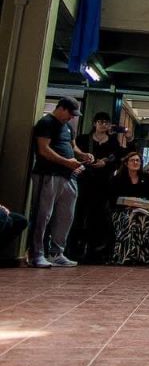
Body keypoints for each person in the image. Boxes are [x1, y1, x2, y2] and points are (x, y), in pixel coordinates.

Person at [28, 97, 91, 268]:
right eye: (70, 113)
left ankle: (57, 252)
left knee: (66, 216)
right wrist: (66, 162)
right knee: (43, 214)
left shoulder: (68, 127)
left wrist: (82, 155)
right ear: (61, 108)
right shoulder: (46, 123)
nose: (71, 117)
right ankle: (36, 253)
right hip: (48, 174)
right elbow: (44, 149)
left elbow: (73, 146)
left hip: (69, 176)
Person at [70, 111, 125, 262]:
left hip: (103, 183)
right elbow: (74, 154)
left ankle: (95, 251)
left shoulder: (113, 142)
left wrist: (105, 163)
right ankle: (74, 249)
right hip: (84, 181)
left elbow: (118, 158)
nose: (103, 125)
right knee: (79, 215)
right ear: (94, 123)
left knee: (99, 217)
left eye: (106, 122)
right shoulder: (83, 139)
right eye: (100, 122)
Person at [108, 150, 149, 265]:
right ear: (126, 163)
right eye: (132, 160)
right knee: (131, 219)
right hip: (121, 210)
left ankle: (141, 256)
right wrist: (127, 204)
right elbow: (112, 199)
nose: (135, 163)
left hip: (142, 210)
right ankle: (126, 255)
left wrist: (140, 204)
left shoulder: (146, 178)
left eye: (138, 160)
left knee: (143, 219)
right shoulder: (117, 178)